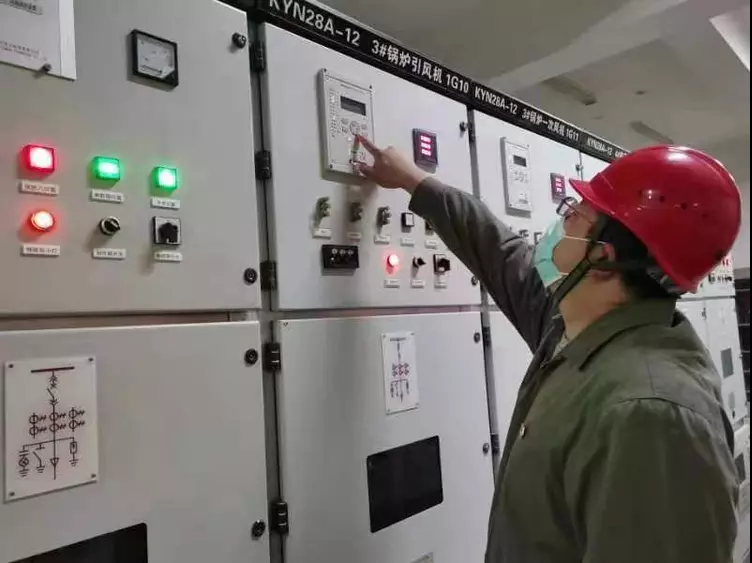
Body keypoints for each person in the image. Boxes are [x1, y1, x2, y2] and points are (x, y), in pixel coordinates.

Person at [355, 136, 742, 563]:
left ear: (603, 258)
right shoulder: (575, 327)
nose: (560, 222)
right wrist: (415, 181)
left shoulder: (650, 414)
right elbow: (502, 255)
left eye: (575, 214)